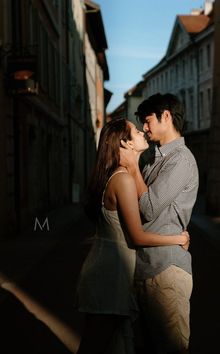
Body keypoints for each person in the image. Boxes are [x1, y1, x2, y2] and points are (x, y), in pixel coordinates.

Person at [76, 117, 190, 354]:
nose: (142, 133)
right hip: (108, 276)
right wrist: (177, 239)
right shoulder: (123, 180)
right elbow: (137, 236)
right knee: (93, 347)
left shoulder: (120, 175)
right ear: (125, 143)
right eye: (136, 131)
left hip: (111, 272)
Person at [120, 93, 199, 354]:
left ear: (166, 116)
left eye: (148, 120)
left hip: (166, 270)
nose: (145, 127)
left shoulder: (181, 160)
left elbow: (149, 207)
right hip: (144, 268)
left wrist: (132, 168)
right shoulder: (154, 159)